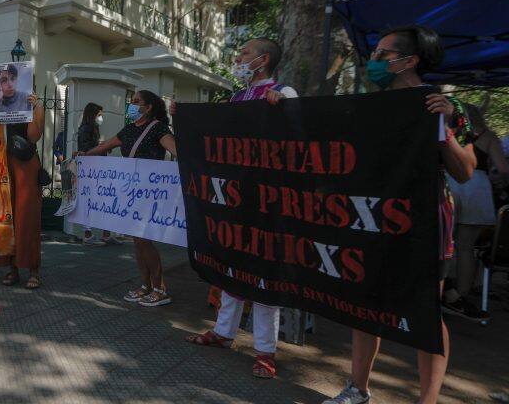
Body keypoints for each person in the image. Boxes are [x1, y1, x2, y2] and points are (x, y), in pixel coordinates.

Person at [323, 25, 476, 404]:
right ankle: (357, 389)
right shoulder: (368, 105)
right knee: (365, 301)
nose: (374, 61)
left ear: (409, 61)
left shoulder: (444, 108)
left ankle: (428, 399)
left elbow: (465, 171)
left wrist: (447, 132)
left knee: (425, 309)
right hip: (372, 215)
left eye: (382, 54)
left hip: (426, 220)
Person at [178, 37, 296, 379]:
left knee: (262, 271)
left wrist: (283, 107)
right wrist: (184, 117)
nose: (239, 57)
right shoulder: (237, 97)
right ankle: (224, 332)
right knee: (231, 264)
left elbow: (299, 134)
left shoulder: (285, 93)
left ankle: (265, 351)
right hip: (235, 197)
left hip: (267, 202)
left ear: (264, 59)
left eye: (245, 53)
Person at [78, 90, 177, 307]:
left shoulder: (158, 128)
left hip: (149, 192)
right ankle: (145, 285)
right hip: (130, 192)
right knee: (136, 240)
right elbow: (107, 145)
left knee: (144, 239)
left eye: (136, 102)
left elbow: (175, 150)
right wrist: (86, 155)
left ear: (148, 107)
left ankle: (161, 288)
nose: (131, 105)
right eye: (132, 101)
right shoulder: (130, 129)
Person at [443, 103, 508, 320]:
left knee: (441, 242)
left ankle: (441, 290)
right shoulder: (488, 136)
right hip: (477, 186)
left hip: (450, 182)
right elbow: (504, 168)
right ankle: (459, 296)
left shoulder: (451, 131)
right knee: (466, 247)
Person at [0, 92, 45, 289]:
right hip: (5, 163)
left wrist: (33, 109)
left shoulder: (37, 106)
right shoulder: (1, 105)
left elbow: (34, 136)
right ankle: (12, 268)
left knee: (28, 216)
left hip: (26, 165)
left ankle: (33, 270)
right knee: (7, 217)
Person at [77, 102, 120, 246]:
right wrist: (102, 148)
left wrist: (102, 147)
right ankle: (89, 234)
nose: (101, 118)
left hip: (96, 169)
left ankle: (105, 233)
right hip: (91, 170)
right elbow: (85, 150)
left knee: (103, 199)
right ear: (93, 114)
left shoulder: (93, 128)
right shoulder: (86, 128)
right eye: (99, 115)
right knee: (92, 200)